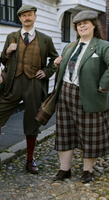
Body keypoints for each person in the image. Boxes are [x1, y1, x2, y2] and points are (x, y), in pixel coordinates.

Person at [0, 5, 58, 174]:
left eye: (29, 15)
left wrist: (46, 72)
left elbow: (54, 59)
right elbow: (2, 59)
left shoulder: (45, 39)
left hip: (34, 84)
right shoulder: (12, 36)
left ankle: (30, 159)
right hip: (13, 83)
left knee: (32, 122)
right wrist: (7, 51)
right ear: (20, 19)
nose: (27, 18)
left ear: (35, 17)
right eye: (24, 16)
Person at [53, 10, 109, 183]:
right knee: (65, 132)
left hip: (89, 96)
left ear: (94, 25)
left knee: (89, 134)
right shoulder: (69, 46)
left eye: (86, 23)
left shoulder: (102, 45)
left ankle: (87, 170)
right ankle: (64, 169)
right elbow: (66, 68)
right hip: (65, 93)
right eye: (78, 24)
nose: (82, 26)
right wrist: (58, 64)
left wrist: (104, 85)